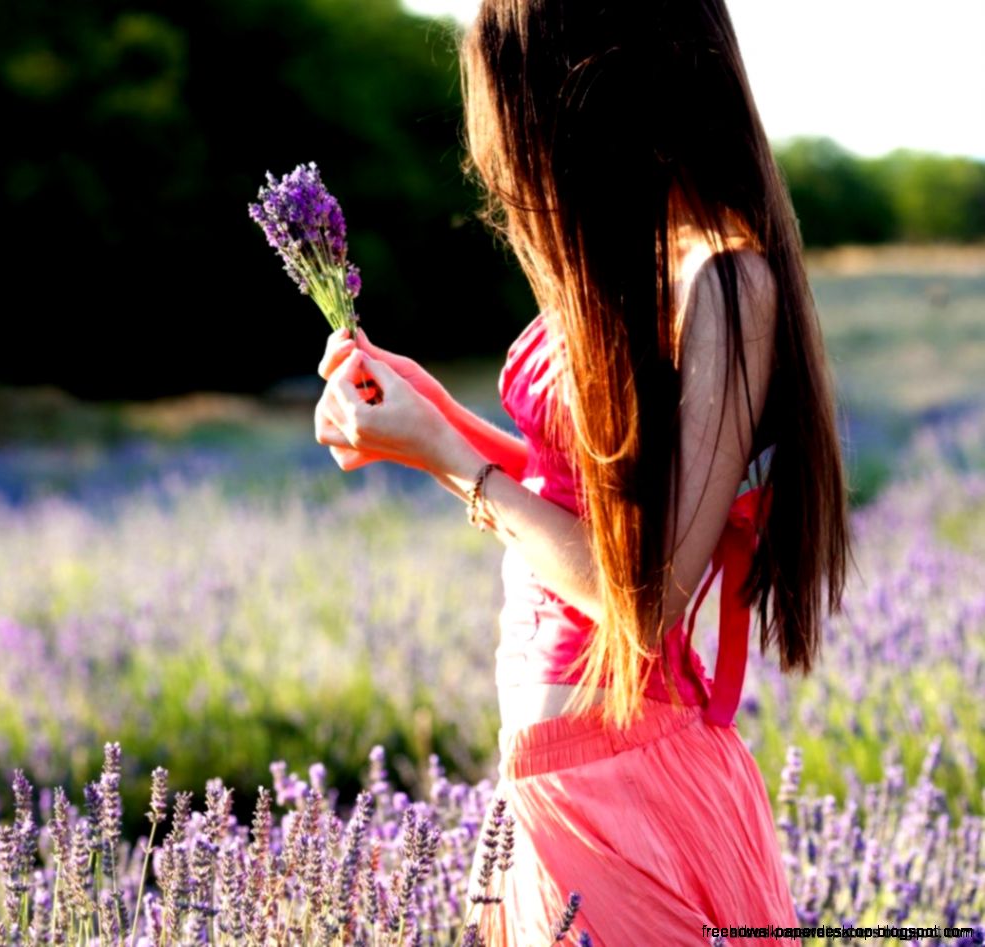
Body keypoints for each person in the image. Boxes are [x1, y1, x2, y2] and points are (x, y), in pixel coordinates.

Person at [312, 0, 852, 943]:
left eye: (520, 108)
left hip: (631, 790)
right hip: (548, 788)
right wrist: (426, 419)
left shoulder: (724, 282)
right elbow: (569, 507)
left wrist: (449, 459)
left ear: (599, 86)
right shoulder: (632, 277)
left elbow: (641, 601)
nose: (506, 160)